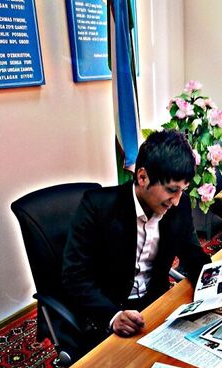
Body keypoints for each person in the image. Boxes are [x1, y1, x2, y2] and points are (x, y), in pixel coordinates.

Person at [62, 129, 210, 351]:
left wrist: (218, 280)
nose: (177, 200)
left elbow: (192, 253)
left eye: (182, 190)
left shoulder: (179, 207)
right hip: (110, 310)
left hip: (155, 305)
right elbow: (75, 275)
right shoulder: (97, 207)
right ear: (142, 177)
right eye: (172, 190)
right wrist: (112, 316)